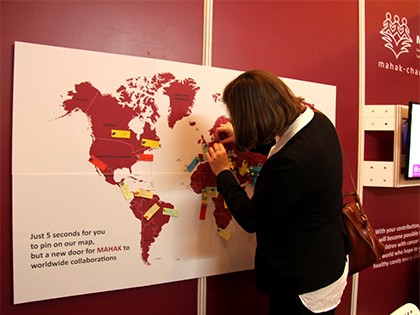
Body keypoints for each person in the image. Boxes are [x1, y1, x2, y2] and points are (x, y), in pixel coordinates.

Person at [205, 70, 350, 315]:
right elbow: (286, 142)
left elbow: (251, 218)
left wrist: (223, 172)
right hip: (328, 262)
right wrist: (241, 137)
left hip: (303, 284)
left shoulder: (291, 163)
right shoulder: (318, 120)